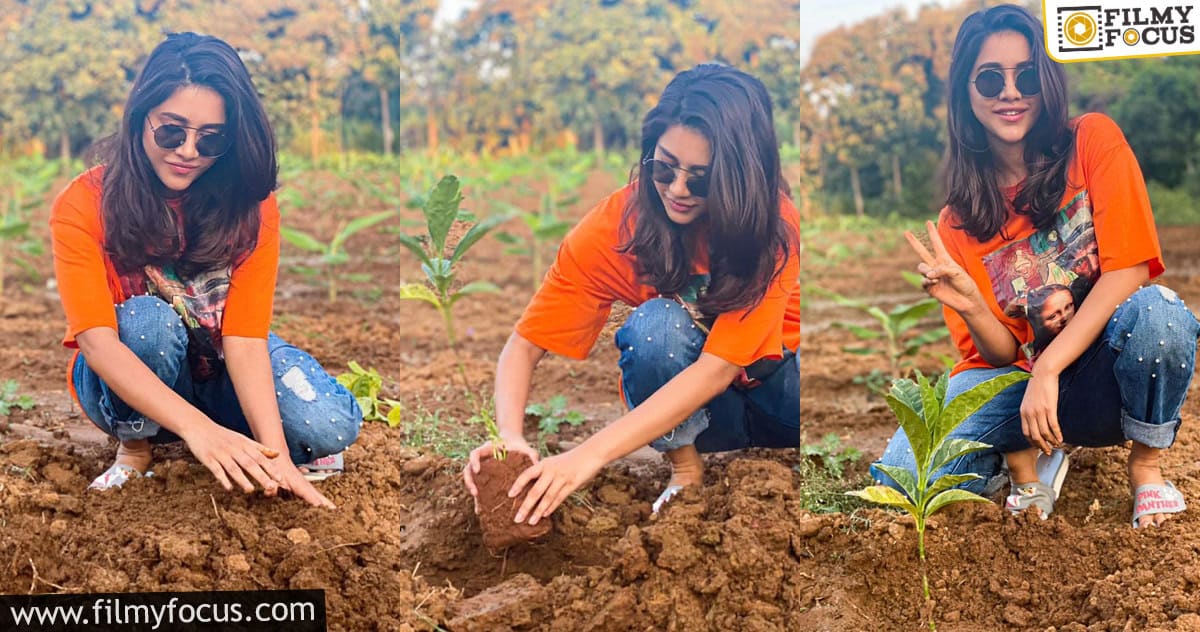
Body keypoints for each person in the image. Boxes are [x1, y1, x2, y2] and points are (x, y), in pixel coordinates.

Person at [873, 4, 1198, 528]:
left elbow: (1131, 268)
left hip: (1099, 373)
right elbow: (1000, 354)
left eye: (1026, 75)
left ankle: (1147, 467)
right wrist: (976, 306)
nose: (1010, 92)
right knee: (904, 483)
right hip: (1018, 390)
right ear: (964, 92)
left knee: (1160, 315)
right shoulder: (956, 223)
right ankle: (1022, 460)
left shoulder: (1092, 140)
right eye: (988, 78)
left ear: (1046, 81)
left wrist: (1048, 367)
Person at [462, 64, 800, 526]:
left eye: (700, 179)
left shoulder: (773, 228)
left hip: (780, 398)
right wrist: (509, 437)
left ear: (740, 176)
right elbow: (523, 345)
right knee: (654, 328)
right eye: (664, 167)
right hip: (704, 420)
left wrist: (586, 456)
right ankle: (685, 472)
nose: (677, 190)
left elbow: (718, 368)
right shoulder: (615, 228)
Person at [50, 33, 362, 508]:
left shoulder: (252, 207)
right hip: (131, 363)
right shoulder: (85, 203)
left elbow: (244, 337)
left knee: (329, 425)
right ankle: (137, 447)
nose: (189, 151)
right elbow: (98, 342)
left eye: (211, 138)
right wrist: (199, 431)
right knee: (147, 323)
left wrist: (274, 453)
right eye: (171, 131)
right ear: (140, 119)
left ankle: (219, 433)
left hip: (217, 361)